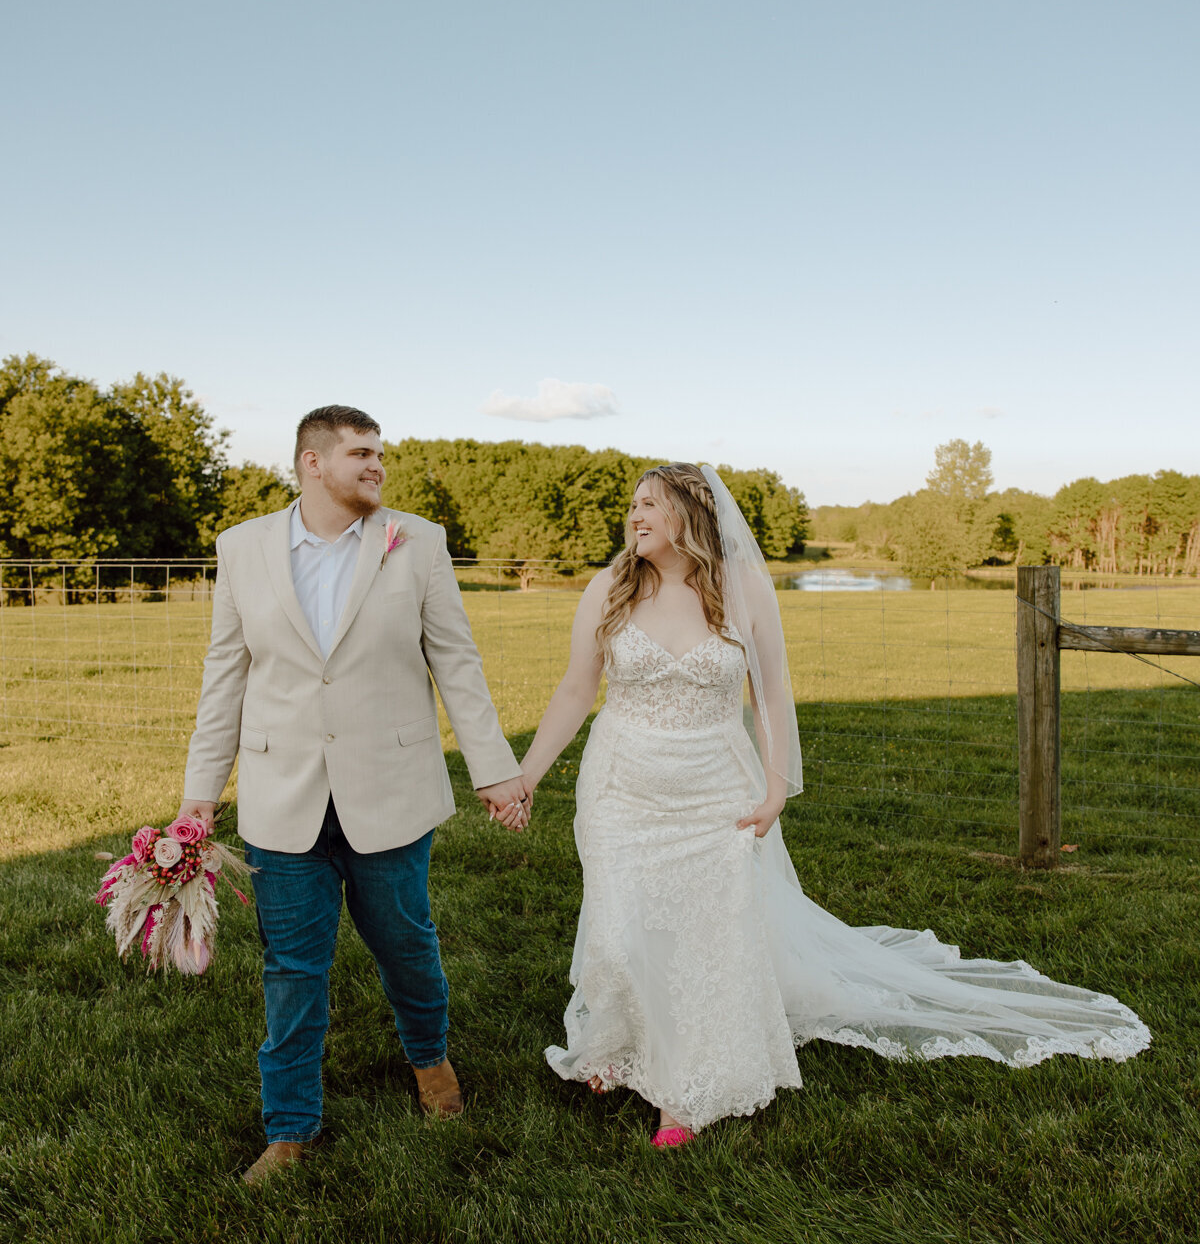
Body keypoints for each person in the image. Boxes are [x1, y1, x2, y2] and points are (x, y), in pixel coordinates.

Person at [508, 463, 1150, 1146]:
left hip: (714, 789)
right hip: (621, 785)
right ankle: (614, 1043)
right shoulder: (610, 588)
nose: (633, 517)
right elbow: (577, 690)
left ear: (692, 516)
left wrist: (777, 783)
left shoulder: (744, 589)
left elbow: (773, 696)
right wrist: (526, 778)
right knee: (621, 920)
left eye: (650, 506)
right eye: (631, 505)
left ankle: (682, 1090)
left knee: (701, 933)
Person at [177, 404, 529, 1184]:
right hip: (282, 794)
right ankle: (290, 1129)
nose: (377, 466)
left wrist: (494, 768)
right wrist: (202, 790)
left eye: (381, 455)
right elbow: (225, 675)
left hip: (392, 787)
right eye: (362, 453)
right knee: (291, 967)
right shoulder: (242, 548)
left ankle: (430, 1061)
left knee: (407, 944)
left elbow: (457, 663)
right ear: (312, 462)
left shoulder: (418, 543)